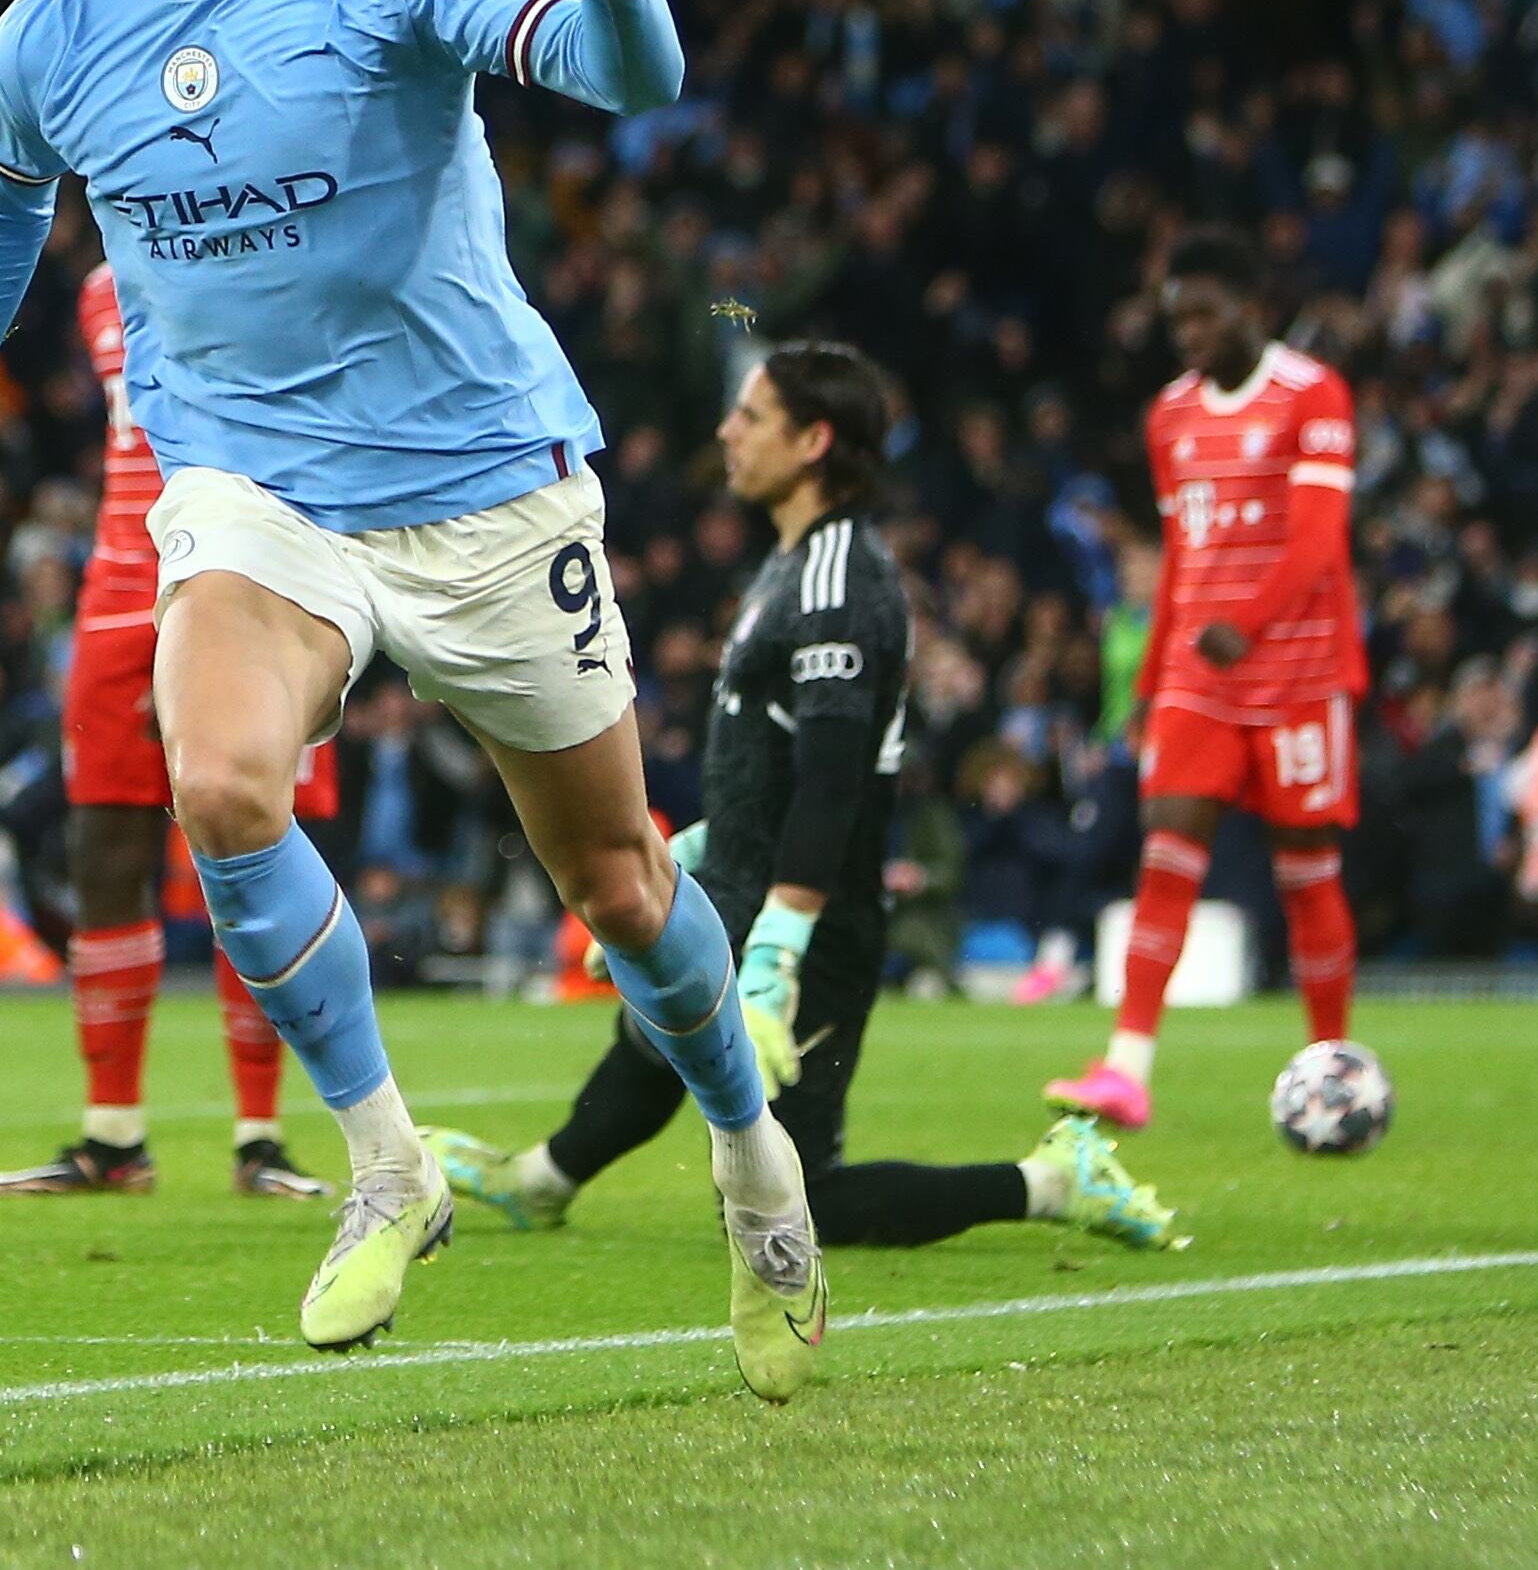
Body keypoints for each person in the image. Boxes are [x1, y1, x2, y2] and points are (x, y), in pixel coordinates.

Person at [0, 0, 821, 1388]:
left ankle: (748, 1148)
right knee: (223, 779)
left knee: (616, 881)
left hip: (481, 473)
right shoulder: (44, 38)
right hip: (255, 488)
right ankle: (385, 1158)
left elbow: (632, 75)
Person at [429, 347, 1178, 1254]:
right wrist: (687, 855)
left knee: (798, 1197)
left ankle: (1055, 1180)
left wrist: (782, 947)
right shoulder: (792, 569)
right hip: (752, 889)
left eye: (752, 416)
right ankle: (538, 1183)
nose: (726, 432)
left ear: (814, 440)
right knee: (659, 1033)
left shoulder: (840, 581)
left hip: (817, 920)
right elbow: (774, 770)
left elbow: (834, 779)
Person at [0, 260, 335, 1204]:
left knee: (253, 845)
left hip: (251, 577)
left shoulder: (266, 239)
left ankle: (261, 1136)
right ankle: (113, 1137)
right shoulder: (101, 289)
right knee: (102, 844)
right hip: (118, 592)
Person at [1050, 229, 1370, 1131]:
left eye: (1203, 313)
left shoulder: (1314, 394)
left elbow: (1317, 541)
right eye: (1175, 316)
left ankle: (1330, 1061)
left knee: (1307, 871)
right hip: (1201, 671)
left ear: (1252, 310)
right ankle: (1126, 1067)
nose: (1186, 331)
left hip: (1300, 670)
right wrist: (1152, 681)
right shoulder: (1170, 415)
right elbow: (1182, 560)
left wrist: (1250, 621)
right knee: (1165, 854)